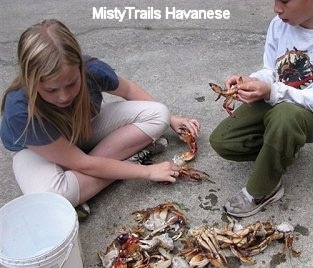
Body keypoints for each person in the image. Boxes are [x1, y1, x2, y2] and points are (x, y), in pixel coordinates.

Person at [0, 19, 200, 217]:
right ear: (30, 80)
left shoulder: (92, 69)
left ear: (80, 67)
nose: (64, 96)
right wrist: (147, 172)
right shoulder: (19, 109)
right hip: (37, 152)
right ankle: (128, 161)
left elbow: (128, 89)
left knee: (160, 114)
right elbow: (82, 164)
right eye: (51, 89)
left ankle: (91, 183)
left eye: (71, 84)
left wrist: (172, 119)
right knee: (55, 197)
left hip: (83, 129)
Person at [209, 0, 313, 217]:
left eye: (285, 1)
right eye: (275, 0)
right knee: (223, 141)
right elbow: (271, 69)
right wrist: (251, 80)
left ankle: (263, 189)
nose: (277, 8)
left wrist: (272, 91)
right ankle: (284, 148)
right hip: (279, 101)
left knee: (285, 116)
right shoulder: (279, 24)